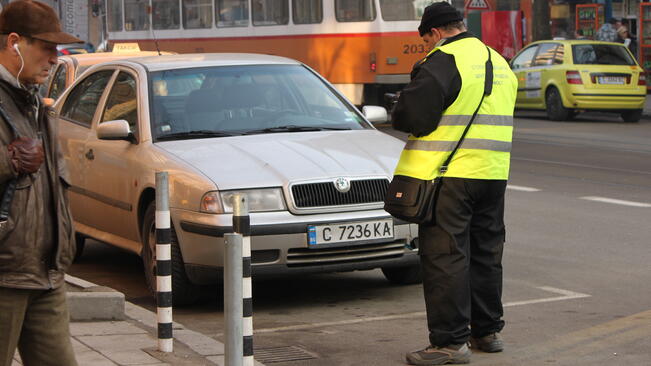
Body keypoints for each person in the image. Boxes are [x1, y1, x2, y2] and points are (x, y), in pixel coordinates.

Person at [389, 2, 517, 365]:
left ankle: (448, 344)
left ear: (434, 32)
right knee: (486, 253)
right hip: (492, 173)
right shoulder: (499, 61)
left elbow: (413, 116)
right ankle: (487, 332)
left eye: (426, 40)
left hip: (450, 176)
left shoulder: (444, 60)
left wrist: (401, 105)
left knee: (446, 257)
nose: (428, 47)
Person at [0, 1, 81, 365]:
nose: (54, 58)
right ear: (14, 42)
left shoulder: (34, 101)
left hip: (45, 273)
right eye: (46, 47)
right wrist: (9, 160)